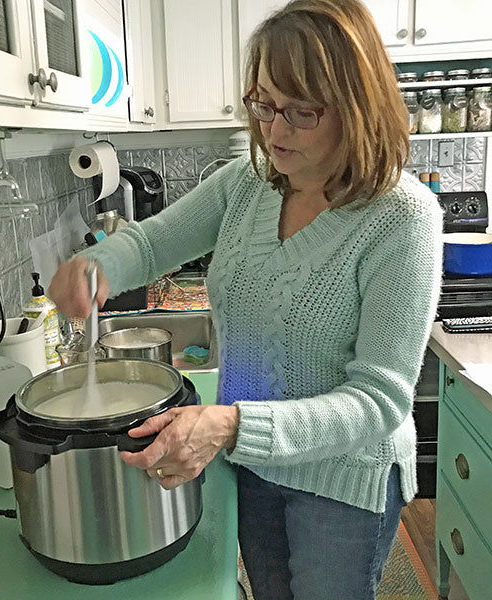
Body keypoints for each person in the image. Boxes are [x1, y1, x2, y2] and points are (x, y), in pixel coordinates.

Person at [49, 1, 443, 598]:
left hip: (344, 482)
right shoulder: (250, 183)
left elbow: (378, 401)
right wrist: (96, 266)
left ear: (357, 110)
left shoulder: (401, 219)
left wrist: (230, 426)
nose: (273, 130)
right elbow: (154, 241)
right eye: (262, 103)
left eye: (301, 112)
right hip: (253, 463)